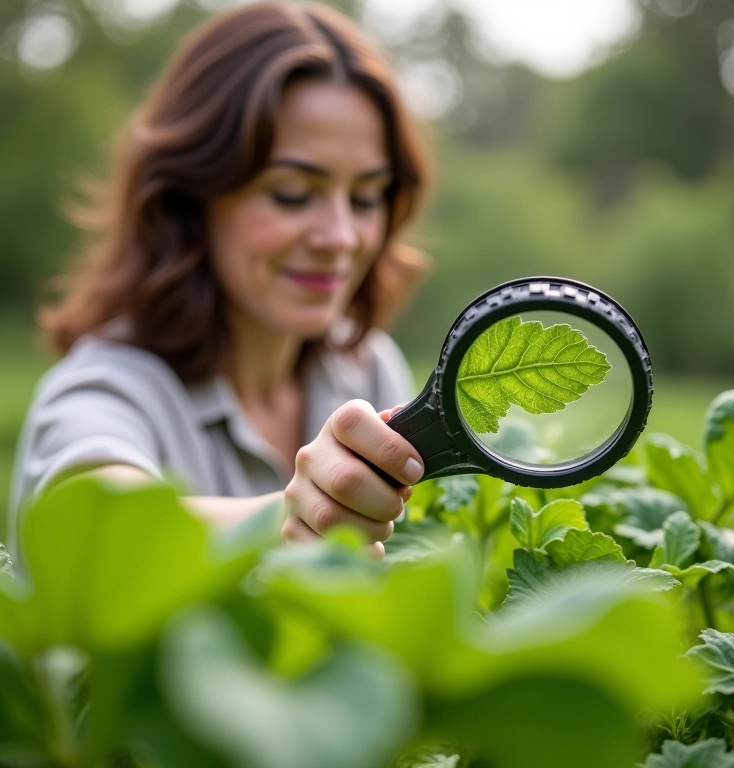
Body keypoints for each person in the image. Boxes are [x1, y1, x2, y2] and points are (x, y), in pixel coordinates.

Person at [8, 1, 431, 560]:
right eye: (291, 193)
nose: (341, 237)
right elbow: (92, 526)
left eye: (365, 198)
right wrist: (292, 517)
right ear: (192, 198)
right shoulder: (106, 386)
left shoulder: (368, 370)